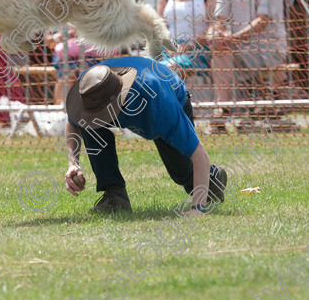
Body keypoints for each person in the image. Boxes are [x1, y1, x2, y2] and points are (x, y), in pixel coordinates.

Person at [63, 57, 227, 214]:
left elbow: (198, 154)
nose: (96, 115)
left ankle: (213, 178)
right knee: (88, 123)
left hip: (167, 94)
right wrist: (73, 164)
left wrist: (198, 208)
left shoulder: (160, 104)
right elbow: (73, 121)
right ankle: (115, 195)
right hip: (124, 96)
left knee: (182, 173)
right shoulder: (89, 85)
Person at [209, 0, 288, 133]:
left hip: (270, 49)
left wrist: (230, 38)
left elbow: (263, 21)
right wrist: (219, 33)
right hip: (242, 47)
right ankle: (223, 111)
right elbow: (220, 16)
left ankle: (266, 103)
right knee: (219, 48)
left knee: (223, 48)